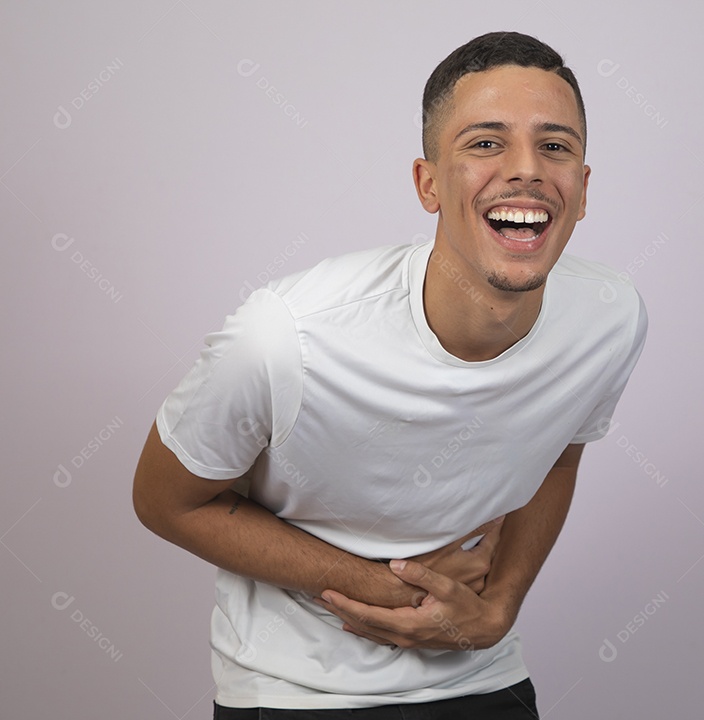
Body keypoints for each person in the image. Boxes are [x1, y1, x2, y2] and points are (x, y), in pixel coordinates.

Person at [132, 30, 647, 718]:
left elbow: (556, 457)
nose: (526, 168)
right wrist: (382, 586)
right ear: (428, 182)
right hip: (296, 694)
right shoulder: (286, 336)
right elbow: (167, 500)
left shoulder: (610, 318)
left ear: (582, 190)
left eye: (554, 146)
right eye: (486, 142)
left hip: (481, 678)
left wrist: (498, 609)